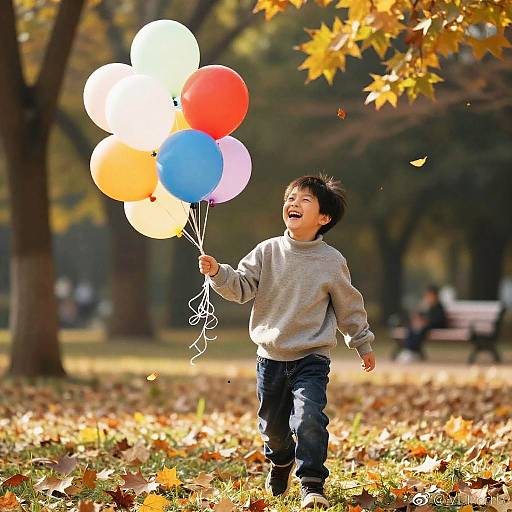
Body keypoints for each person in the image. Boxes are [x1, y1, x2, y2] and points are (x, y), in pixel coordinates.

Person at [198, 174, 376, 510]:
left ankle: (312, 484)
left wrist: (361, 342)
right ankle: (280, 461)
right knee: (273, 429)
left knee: (309, 417)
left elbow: (348, 305)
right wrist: (217, 272)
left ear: (324, 218)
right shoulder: (267, 251)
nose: (293, 203)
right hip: (270, 358)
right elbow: (240, 287)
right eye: (290, 198)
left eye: (304, 200)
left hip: (311, 357)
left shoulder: (331, 261)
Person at [395, 284, 447, 363]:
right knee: (412, 329)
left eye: (430, 295)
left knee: (420, 329)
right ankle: (410, 350)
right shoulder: (427, 305)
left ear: (435, 295)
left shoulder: (439, 306)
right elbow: (419, 315)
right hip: (425, 326)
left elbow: (438, 320)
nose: (428, 297)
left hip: (435, 327)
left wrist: (425, 322)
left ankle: (412, 352)